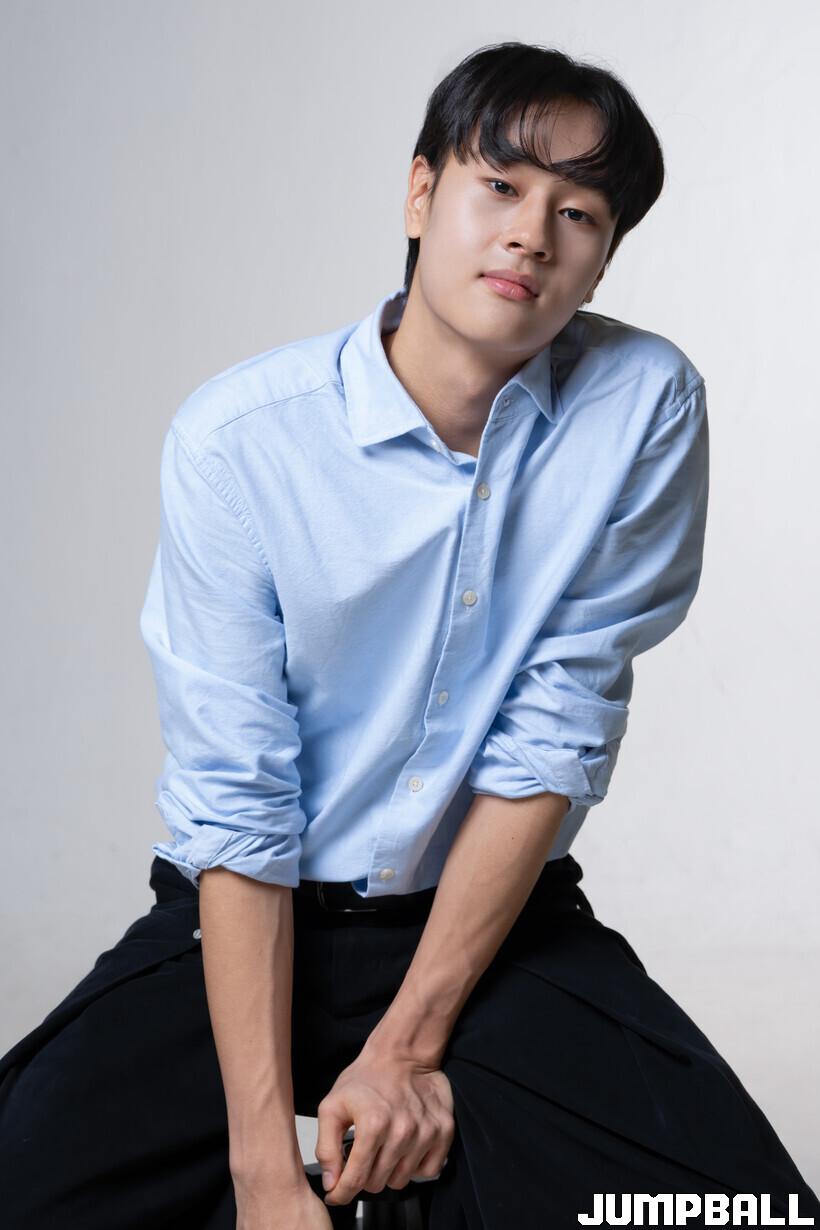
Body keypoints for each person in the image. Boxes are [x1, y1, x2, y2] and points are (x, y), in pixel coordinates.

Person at [1, 40, 817, 1230]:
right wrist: (265, 1175)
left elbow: (553, 732)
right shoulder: (240, 442)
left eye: (577, 214)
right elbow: (240, 795)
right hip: (250, 912)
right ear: (421, 193)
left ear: (602, 258)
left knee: (738, 1213)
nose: (531, 236)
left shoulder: (643, 404)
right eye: (501, 186)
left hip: (489, 925)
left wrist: (405, 1049)